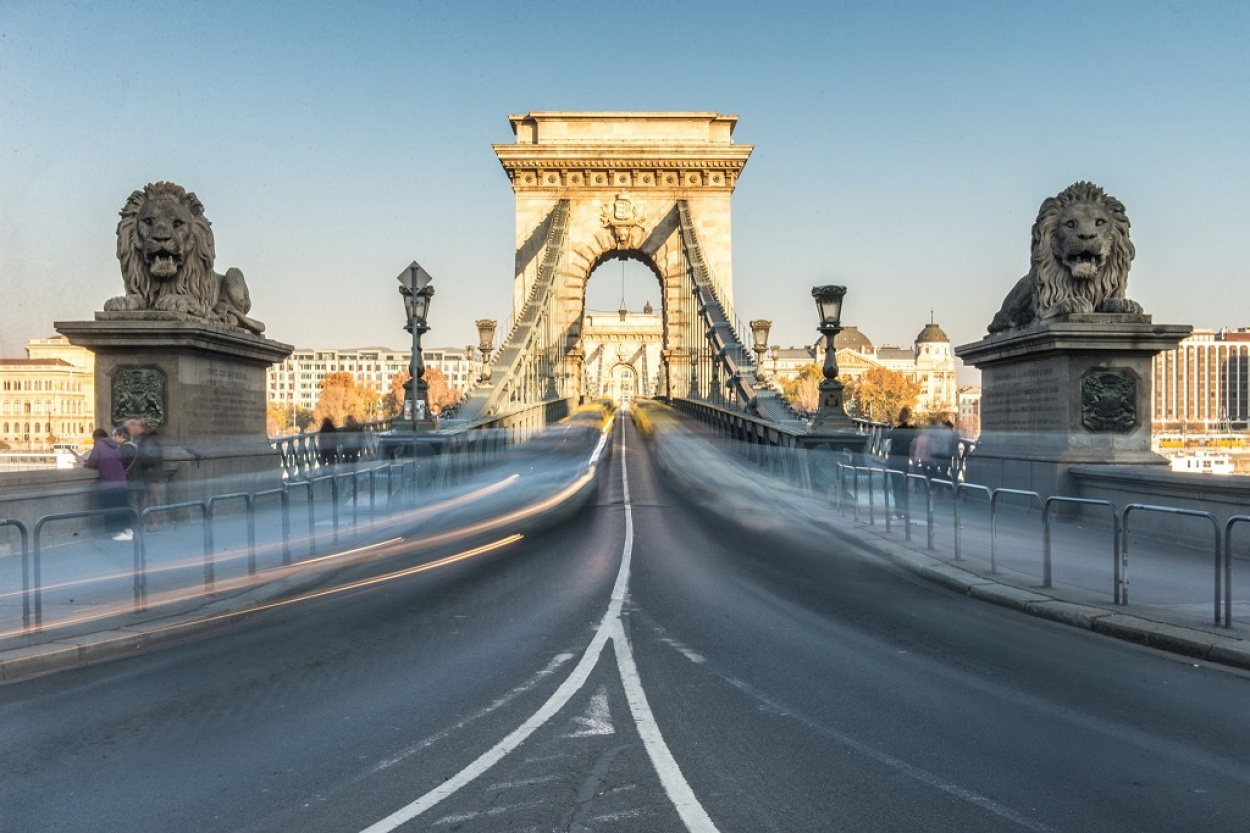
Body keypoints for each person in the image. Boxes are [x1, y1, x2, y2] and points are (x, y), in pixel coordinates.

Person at [80, 427, 133, 541]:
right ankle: (127, 530)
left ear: (96, 438)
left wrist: (84, 464)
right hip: (121, 480)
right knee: (121, 506)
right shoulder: (115, 445)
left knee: (110, 507)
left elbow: (93, 462)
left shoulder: (99, 445)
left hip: (109, 482)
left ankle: (114, 532)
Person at [123, 416, 165, 531]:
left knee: (152, 500)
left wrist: (138, 461)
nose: (129, 431)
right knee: (146, 500)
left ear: (137, 427)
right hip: (147, 474)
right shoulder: (143, 438)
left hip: (149, 474)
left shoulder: (147, 440)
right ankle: (146, 523)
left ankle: (154, 525)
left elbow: (150, 457)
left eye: (130, 428)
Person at [885, 407, 920, 519]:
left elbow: (885, 436)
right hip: (904, 461)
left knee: (896, 486)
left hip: (894, 460)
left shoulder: (896, 430)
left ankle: (898, 510)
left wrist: (891, 425)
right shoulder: (913, 430)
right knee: (904, 486)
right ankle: (906, 510)